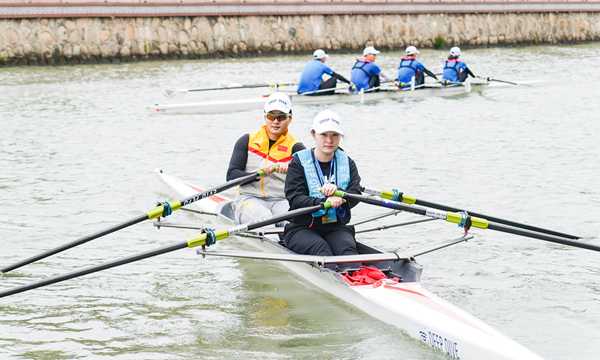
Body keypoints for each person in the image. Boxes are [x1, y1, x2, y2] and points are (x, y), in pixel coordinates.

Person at [283, 109, 362, 269]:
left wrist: (340, 195)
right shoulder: (298, 163)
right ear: (313, 135)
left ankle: (357, 281)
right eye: (324, 135)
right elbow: (295, 198)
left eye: (334, 135)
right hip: (301, 228)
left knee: (349, 256)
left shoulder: (348, 163)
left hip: (336, 227)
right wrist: (324, 201)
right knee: (322, 252)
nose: (329, 140)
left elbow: (355, 194)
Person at [226, 92, 306, 228]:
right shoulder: (247, 140)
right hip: (249, 199)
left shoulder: (296, 148)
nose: (275, 121)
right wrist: (256, 175)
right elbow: (231, 175)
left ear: (290, 118)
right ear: (265, 117)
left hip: (281, 201)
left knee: (298, 222)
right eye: (271, 116)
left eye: (281, 117)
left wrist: (292, 171)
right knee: (265, 220)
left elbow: (308, 182)